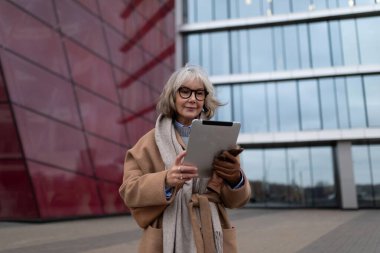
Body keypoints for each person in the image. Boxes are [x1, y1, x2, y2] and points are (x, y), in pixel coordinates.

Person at [119, 65, 251, 253]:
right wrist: (166, 181)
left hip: (210, 234)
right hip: (165, 238)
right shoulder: (148, 142)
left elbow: (237, 201)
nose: (192, 99)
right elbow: (128, 191)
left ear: (205, 99)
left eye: (199, 93)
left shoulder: (221, 139)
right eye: (185, 92)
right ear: (172, 96)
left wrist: (235, 179)